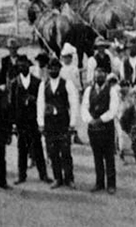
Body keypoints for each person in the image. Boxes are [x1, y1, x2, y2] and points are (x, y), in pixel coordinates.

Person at [37, 57, 79, 188]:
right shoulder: (43, 85)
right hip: (50, 122)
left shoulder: (67, 84)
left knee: (65, 151)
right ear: (47, 70)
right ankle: (57, 178)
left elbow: (74, 104)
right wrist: (41, 123)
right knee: (53, 151)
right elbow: (40, 104)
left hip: (63, 122)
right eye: (50, 68)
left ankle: (69, 178)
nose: (53, 71)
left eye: (55, 68)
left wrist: (72, 123)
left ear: (60, 69)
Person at [8, 59, 50, 185]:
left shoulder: (37, 82)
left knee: (37, 147)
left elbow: (42, 101)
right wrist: (13, 123)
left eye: (25, 65)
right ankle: (21, 175)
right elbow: (11, 104)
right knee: (22, 149)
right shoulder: (14, 83)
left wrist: (34, 100)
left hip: (34, 120)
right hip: (21, 121)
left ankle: (43, 175)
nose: (23, 68)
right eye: (21, 66)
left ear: (29, 67)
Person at [80, 66, 120, 194]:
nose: (99, 76)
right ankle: (99, 183)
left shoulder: (111, 91)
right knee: (97, 156)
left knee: (109, 156)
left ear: (106, 76)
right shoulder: (88, 90)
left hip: (106, 127)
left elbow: (113, 110)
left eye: (102, 74)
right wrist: (90, 120)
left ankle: (111, 184)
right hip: (93, 128)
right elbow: (84, 107)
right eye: (97, 74)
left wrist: (101, 119)